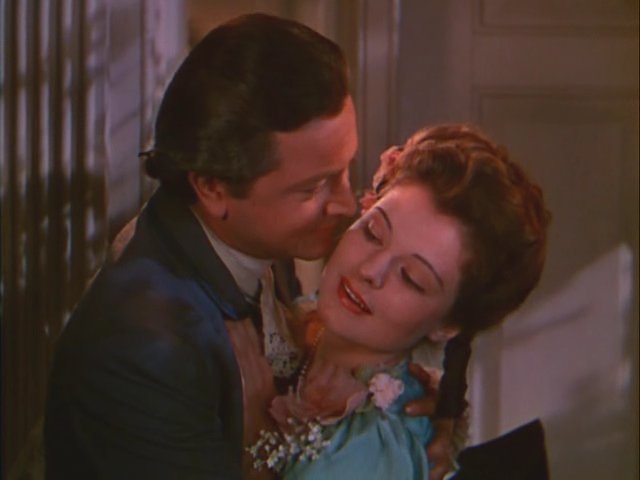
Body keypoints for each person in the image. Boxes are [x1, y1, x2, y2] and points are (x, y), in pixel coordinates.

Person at [44, 13, 454, 480]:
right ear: (213, 187)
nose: (345, 204)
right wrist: (257, 452)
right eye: (312, 188)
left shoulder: (255, 238)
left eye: (344, 169)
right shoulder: (145, 351)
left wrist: (408, 417)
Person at [244, 124, 550, 479]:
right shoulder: (299, 316)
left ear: (446, 325)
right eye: (374, 232)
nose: (370, 270)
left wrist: (251, 437)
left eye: (411, 277)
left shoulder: (367, 451)